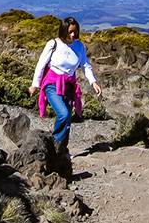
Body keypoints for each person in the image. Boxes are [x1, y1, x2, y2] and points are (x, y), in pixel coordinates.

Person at [29, 17, 102, 156]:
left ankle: (62, 150)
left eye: (75, 32)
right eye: (70, 32)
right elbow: (41, 64)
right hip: (52, 84)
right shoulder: (53, 44)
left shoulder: (79, 46)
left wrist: (93, 82)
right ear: (63, 30)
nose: (73, 35)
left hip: (69, 85)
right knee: (63, 113)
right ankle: (54, 145)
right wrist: (35, 85)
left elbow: (85, 65)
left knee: (68, 120)